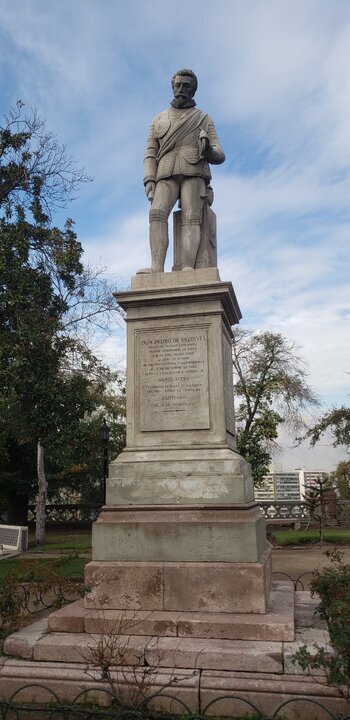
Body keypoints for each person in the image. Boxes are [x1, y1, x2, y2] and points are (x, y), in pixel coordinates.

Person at [137, 69, 225, 274]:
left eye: (186, 86)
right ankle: (156, 266)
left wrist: (207, 148)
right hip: (165, 170)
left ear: (193, 90)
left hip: (194, 168)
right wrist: (149, 178)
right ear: (173, 87)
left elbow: (219, 154)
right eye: (177, 85)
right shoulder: (158, 119)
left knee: (191, 217)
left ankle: (187, 266)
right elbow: (150, 151)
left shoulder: (203, 118)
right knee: (156, 213)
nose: (181, 89)